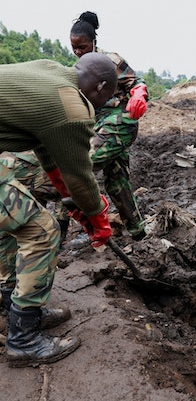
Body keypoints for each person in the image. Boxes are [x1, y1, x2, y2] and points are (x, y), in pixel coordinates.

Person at [0, 52, 118, 367]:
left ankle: (14, 303)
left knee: (15, 216)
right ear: (102, 87)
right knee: (43, 230)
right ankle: (23, 339)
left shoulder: (48, 71)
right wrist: (99, 220)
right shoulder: (72, 106)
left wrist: (75, 203)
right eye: (107, 98)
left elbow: (49, 155)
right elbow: (80, 179)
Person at [70, 11, 148, 241]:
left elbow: (138, 82)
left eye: (82, 47)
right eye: (74, 47)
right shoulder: (78, 67)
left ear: (93, 42)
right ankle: (138, 234)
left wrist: (139, 95)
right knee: (117, 181)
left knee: (78, 166)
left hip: (119, 122)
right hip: (99, 125)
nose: (77, 51)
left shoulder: (109, 61)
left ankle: (93, 225)